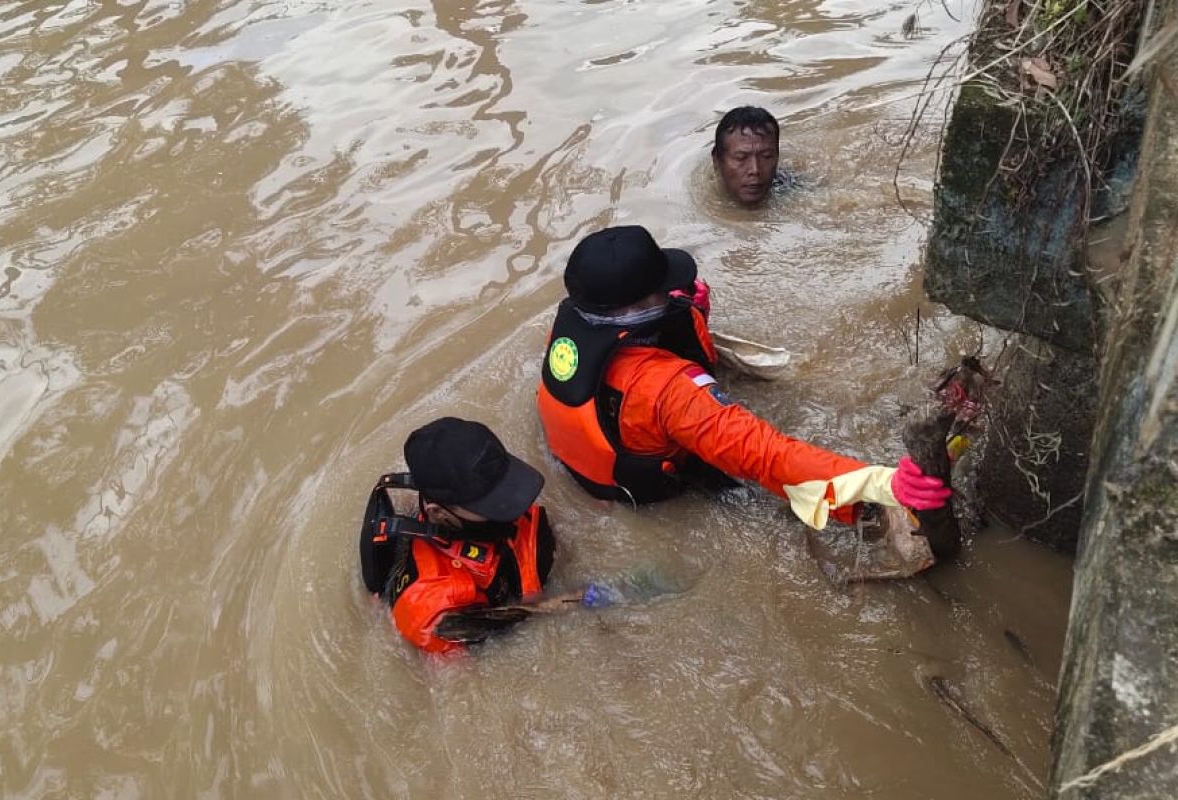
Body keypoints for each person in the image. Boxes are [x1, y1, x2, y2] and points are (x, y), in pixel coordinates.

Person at [536, 225, 950, 530]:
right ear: (639, 307)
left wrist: (687, 310)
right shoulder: (672, 390)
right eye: (664, 290)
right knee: (761, 482)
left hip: (585, 459)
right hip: (652, 492)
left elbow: (649, 322)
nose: (675, 291)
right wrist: (880, 484)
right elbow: (766, 454)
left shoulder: (575, 323)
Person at [359, 417, 555, 654]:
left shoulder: (476, 481)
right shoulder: (432, 609)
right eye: (490, 504)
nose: (512, 504)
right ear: (439, 513)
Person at [711, 105, 785, 205]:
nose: (755, 170)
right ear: (716, 160)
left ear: (777, 155)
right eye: (741, 158)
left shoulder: (796, 194)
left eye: (766, 156)